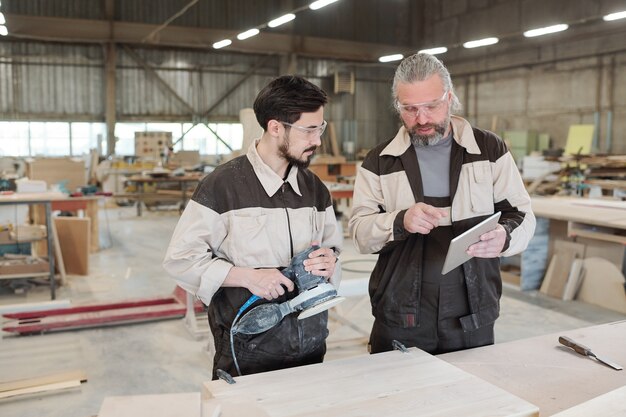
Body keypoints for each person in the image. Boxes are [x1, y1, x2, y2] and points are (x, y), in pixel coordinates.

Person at [348, 53, 535, 355]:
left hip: (472, 309)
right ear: (398, 106)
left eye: (431, 106)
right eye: (410, 109)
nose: (421, 119)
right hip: (401, 310)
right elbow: (359, 232)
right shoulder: (380, 161)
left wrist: (505, 236)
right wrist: (400, 221)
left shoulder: (488, 149)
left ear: (449, 98)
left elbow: (523, 215)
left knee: (469, 396)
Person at [163, 75, 342, 379]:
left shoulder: (315, 189)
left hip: (311, 344)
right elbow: (181, 259)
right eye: (309, 130)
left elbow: (334, 248)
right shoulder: (222, 187)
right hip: (247, 349)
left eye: (320, 128)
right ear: (275, 128)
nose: (318, 140)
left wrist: (330, 259)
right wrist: (247, 277)